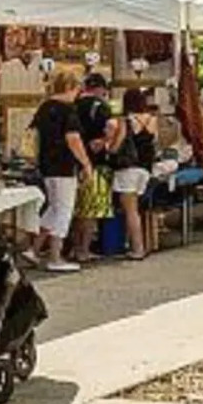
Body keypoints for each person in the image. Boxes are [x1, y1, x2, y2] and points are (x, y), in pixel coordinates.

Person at [28, 70, 94, 273]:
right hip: (64, 166)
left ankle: (34, 249)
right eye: (77, 88)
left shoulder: (44, 108)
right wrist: (86, 163)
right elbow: (73, 139)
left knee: (54, 208)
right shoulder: (67, 110)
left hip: (46, 164)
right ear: (69, 87)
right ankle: (55, 256)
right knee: (64, 210)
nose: (78, 93)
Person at [106, 88, 160, 261]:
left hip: (128, 168)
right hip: (145, 169)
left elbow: (117, 145)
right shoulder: (152, 120)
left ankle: (137, 248)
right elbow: (154, 143)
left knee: (131, 211)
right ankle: (140, 245)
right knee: (137, 208)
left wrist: (109, 148)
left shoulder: (126, 121)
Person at [69, 73, 114, 263]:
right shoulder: (101, 106)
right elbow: (111, 127)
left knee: (76, 210)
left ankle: (74, 247)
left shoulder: (72, 105)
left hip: (72, 163)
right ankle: (84, 250)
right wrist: (105, 141)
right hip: (95, 163)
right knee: (90, 210)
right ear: (101, 88)